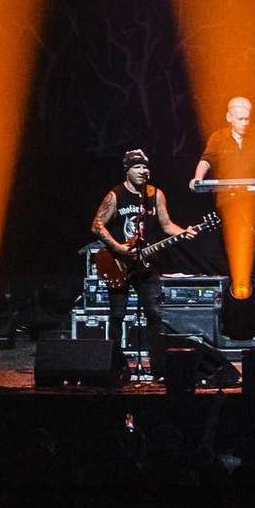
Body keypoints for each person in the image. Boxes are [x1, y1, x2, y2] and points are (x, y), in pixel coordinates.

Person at [92, 149, 190, 367]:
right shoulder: (115, 195)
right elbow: (97, 225)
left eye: (145, 167)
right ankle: (116, 365)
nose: (143, 171)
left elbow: (166, 225)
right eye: (137, 167)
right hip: (120, 264)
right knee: (117, 315)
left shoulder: (156, 195)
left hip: (148, 265)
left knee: (154, 314)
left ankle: (157, 365)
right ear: (127, 170)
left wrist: (185, 231)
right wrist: (117, 247)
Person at [185, 96, 255, 284]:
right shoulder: (218, 137)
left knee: (254, 246)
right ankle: (238, 287)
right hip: (228, 201)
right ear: (229, 117)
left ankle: (253, 288)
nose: (245, 123)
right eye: (240, 119)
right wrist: (198, 178)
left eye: (247, 119)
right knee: (234, 245)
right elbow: (207, 159)